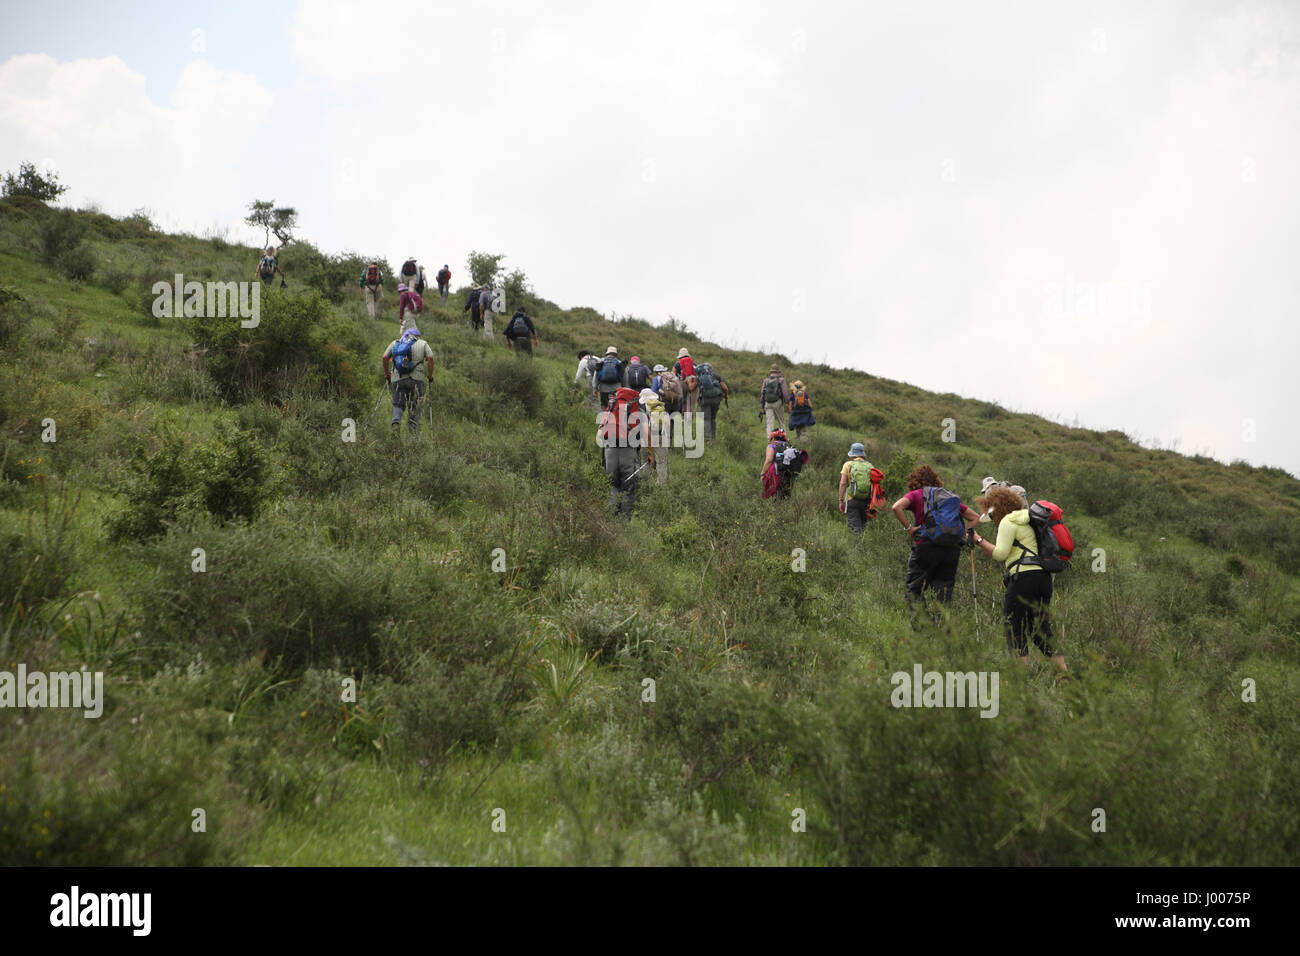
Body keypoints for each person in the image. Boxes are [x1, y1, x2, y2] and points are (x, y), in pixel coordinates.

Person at [971, 487, 1067, 672]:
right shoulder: (1029, 518)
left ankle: (1021, 681)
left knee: (1014, 626)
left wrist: (978, 540)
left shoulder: (1008, 520)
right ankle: (1064, 675)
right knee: (1040, 630)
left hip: (1023, 577)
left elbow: (1000, 554)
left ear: (996, 507)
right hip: (1044, 578)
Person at [890, 465, 981, 604]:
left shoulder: (916, 494)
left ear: (915, 480)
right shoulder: (947, 496)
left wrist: (909, 528)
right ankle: (941, 624)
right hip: (951, 549)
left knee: (914, 591)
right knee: (943, 595)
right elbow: (975, 517)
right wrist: (961, 533)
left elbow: (896, 507)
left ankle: (923, 625)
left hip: (926, 547)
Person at [599, 385, 649, 517]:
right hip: (628, 451)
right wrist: (651, 454)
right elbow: (647, 434)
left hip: (610, 450)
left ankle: (610, 517)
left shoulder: (612, 406)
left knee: (613, 485)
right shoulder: (638, 409)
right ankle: (624, 520)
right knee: (628, 487)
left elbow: (599, 434)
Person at [381, 325, 434, 434]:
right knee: (414, 405)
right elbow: (430, 358)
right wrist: (430, 375)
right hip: (416, 379)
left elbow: (385, 357)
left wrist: (387, 374)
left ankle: (396, 423)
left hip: (397, 379)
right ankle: (413, 435)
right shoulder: (423, 343)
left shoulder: (395, 343)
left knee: (398, 404)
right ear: (417, 336)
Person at [838, 443, 885, 533]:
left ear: (852, 453)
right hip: (866, 502)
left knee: (855, 530)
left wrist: (840, 500)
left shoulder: (847, 465)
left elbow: (843, 483)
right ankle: (862, 545)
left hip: (851, 500)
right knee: (863, 528)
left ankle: (857, 546)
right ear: (863, 453)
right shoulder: (870, 466)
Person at [760, 429, 808, 500]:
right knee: (784, 496)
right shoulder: (788, 446)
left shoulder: (772, 446)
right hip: (787, 474)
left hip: (775, 472)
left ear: (773, 438)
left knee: (770, 495)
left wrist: (762, 474)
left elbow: (769, 460)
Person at [641, 386, 670, 484]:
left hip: (647, 436)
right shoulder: (660, 405)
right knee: (662, 462)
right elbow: (668, 423)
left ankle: (646, 483)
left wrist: (650, 451)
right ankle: (661, 485)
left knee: (645, 460)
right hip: (661, 436)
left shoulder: (643, 406)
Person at [696, 361, 729, 440]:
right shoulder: (716, 376)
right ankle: (713, 438)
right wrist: (726, 395)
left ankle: (708, 439)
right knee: (713, 419)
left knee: (706, 419)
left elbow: (692, 387)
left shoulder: (701, 376)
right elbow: (725, 388)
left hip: (705, 400)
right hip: (716, 400)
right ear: (711, 369)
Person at [593, 346, 624, 411]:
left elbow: (595, 376)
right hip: (617, 388)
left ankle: (604, 419)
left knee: (604, 405)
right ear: (616, 354)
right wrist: (624, 388)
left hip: (603, 388)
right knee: (616, 406)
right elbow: (625, 377)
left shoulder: (601, 361)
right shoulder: (619, 362)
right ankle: (615, 419)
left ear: (607, 353)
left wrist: (595, 388)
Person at [760, 364, 788, 433]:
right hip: (778, 403)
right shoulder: (781, 380)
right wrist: (787, 402)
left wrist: (763, 406)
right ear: (778, 372)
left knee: (769, 423)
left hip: (767, 403)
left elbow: (762, 394)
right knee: (781, 422)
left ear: (771, 372)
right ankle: (783, 439)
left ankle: (770, 439)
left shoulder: (766, 380)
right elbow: (785, 393)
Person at [674, 348, 698, 420]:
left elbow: (673, 374)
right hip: (694, 385)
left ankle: (682, 416)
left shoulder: (678, 363)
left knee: (682, 400)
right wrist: (693, 385)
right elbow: (697, 376)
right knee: (691, 403)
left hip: (682, 384)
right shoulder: (694, 364)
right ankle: (689, 420)